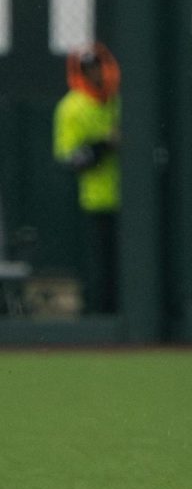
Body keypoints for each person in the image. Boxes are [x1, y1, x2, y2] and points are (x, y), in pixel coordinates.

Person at [53, 42, 121, 314]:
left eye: (98, 66)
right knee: (99, 270)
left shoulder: (120, 101)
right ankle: (99, 323)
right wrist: (104, 145)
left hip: (133, 202)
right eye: (88, 68)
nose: (95, 73)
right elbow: (70, 159)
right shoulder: (71, 108)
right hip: (95, 201)